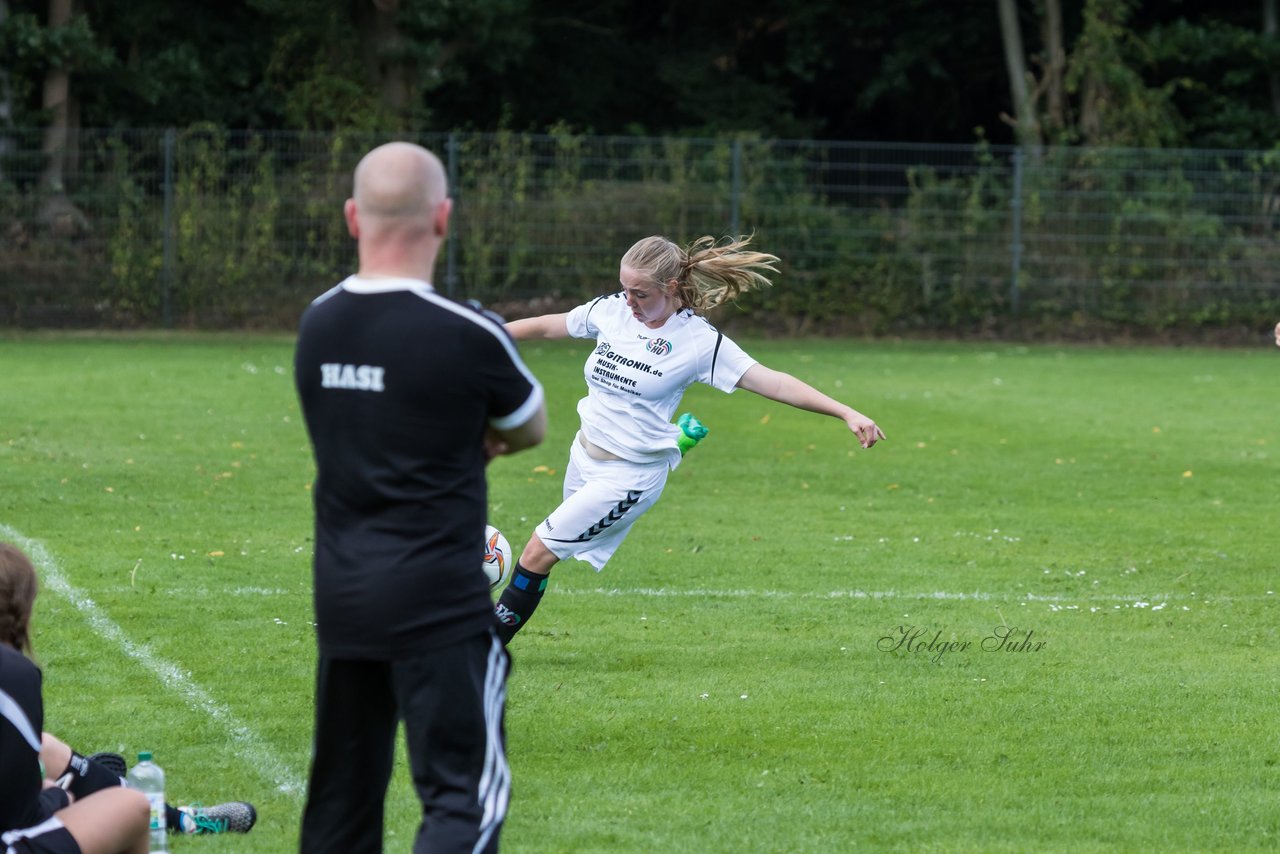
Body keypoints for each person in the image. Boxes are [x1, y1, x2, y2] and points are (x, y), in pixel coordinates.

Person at [294, 141, 546, 854]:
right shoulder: (469, 332)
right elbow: (529, 426)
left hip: (342, 599)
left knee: (341, 802)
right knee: (459, 801)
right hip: (438, 602)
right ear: (443, 217)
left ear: (351, 217)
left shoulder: (319, 324)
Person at [492, 234, 885, 643]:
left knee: (538, 551)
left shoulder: (698, 342)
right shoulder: (613, 312)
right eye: (625, 290)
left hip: (627, 478)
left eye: (640, 294)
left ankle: (483, 646)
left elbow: (775, 383)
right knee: (545, 556)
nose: (629, 302)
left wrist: (845, 411)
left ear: (672, 288)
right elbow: (549, 324)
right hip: (583, 458)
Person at [1, 540, 258, 854]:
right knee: (132, 805)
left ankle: (179, 819)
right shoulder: (14, 674)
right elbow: (19, 817)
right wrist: (56, 798)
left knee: (48, 749)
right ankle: (147, 812)